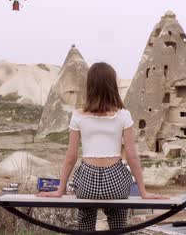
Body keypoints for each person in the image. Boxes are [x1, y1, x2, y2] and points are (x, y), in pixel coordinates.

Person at [37, 62, 167, 231]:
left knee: (85, 219)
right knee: (118, 220)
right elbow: (132, 155)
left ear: (90, 86)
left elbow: (71, 156)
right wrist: (143, 192)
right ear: (112, 86)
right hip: (115, 183)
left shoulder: (78, 115)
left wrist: (60, 190)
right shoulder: (123, 115)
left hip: (87, 184)